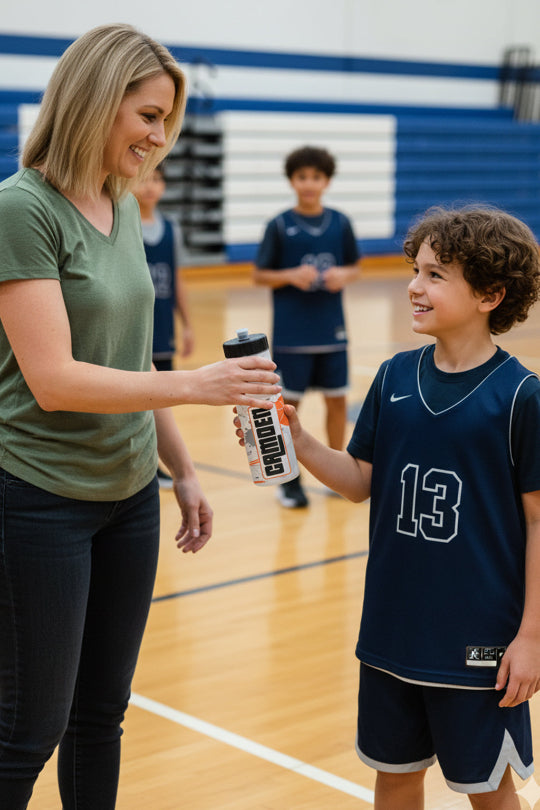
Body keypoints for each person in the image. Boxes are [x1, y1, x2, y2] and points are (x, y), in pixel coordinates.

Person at [0, 24, 279, 810]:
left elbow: (134, 361)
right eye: (149, 117)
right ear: (96, 99)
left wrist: (184, 472)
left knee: (100, 716)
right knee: (29, 728)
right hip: (38, 501)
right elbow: (54, 381)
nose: (161, 139)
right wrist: (201, 386)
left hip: (130, 498)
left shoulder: (122, 206)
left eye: (167, 122)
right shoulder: (22, 210)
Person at [237, 206, 540, 809]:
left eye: (435, 275)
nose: (413, 286)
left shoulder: (521, 398)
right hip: (390, 630)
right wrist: (299, 442)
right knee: (395, 777)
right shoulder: (394, 376)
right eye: (415, 269)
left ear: (490, 294)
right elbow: (357, 482)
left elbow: (538, 523)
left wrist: (531, 636)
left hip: (480, 643)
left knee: (488, 789)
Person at [254, 145, 361, 509]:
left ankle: (337, 469)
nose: (309, 183)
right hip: (292, 334)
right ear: (292, 181)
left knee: (337, 400)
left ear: (326, 181)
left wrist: (342, 274)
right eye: (302, 177)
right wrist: (289, 275)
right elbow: (258, 275)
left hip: (332, 331)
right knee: (287, 406)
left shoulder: (341, 222)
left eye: (316, 177)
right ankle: (288, 480)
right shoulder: (280, 225)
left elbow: (356, 267)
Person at [134, 163, 194, 488]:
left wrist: (187, 325)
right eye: (143, 178)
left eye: (156, 179)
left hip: (163, 328)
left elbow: (178, 280)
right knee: (137, 400)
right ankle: (148, 466)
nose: (150, 186)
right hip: (135, 327)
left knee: (160, 401)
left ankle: (157, 464)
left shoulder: (171, 229)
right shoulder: (123, 221)